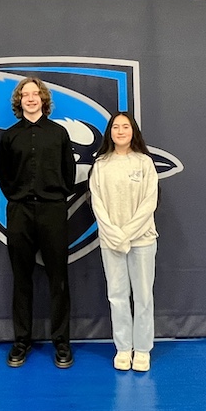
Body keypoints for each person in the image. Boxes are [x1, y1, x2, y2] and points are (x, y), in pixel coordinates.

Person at [0, 77, 77, 368]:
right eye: (25, 94)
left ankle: (62, 342)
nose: (30, 98)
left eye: (35, 94)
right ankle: (22, 341)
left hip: (52, 211)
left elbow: (69, 174)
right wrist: (19, 197)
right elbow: (3, 175)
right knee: (21, 279)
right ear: (19, 101)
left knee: (59, 279)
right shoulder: (10, 136)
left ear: (43, 99)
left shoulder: (58, 133)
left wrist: (53, 197)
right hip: (20, 212)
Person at [88, 111, 159, 372]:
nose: (120, 131)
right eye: (116, 127)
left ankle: (142, 349)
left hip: (142, 240)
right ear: (110, 132)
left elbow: (149, 203)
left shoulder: (144, 163)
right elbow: (97, 203)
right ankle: (123, 348)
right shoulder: (101, 165)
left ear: (133, 131)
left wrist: (127, 232)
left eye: (125, 127)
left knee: (143, 296)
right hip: (111, 241)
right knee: (117, 296)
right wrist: (114, 234)